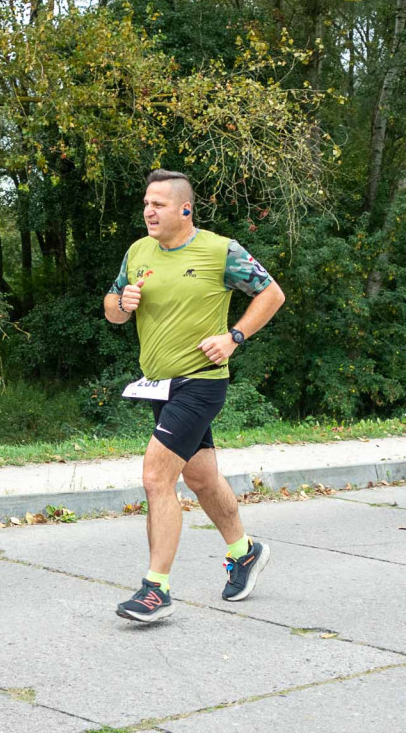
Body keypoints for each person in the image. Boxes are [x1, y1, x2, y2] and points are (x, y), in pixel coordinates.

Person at [104, 169, 286, 623]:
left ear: (185, 209)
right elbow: (112, 312)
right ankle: (245, 552)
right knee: (202, 479)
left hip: (202, 382)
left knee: (155, 477)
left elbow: (272, 294)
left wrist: (234, 337)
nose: (149, 211)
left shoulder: (221, 250)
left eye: (159, 204)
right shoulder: (138, 252)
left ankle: (155, 589)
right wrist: (122, 303)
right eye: (146, 203)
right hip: (158, 387)